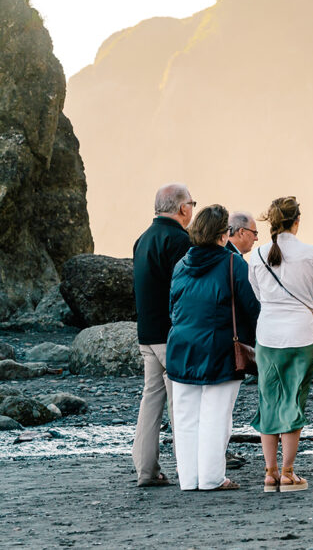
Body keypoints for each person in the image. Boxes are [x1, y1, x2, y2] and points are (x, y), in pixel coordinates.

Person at [167, 205, 260, 491]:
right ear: (223, 235)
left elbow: (174, 306)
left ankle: (189, 479)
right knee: (217, 417)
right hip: (220, 350)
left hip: (181, 349)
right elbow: (252, 308)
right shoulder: (234, 264)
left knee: (184, 420)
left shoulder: (181, 265)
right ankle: (211, 478)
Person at [249, 196, 313, 492]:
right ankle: (288, 472)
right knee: (294, 400)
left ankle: (270, 472)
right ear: (297, 221)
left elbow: (258, 294)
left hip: (268, 335)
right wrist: (305, 307)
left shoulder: (257, 255)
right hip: (301, 335)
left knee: (268, 400)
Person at [131, 183, 194, 487]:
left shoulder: (142, 239)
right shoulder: (179, 240)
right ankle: (188, 468)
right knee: (180, 401)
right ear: (183, 208)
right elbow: (183, 290)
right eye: (191, 204)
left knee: (151, 401)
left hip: (147, 333)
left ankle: (146, 470)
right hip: (171, 334)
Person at [223, 210, 258, 471]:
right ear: (242, 232)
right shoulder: (234, 262)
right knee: (222, 404)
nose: (257, 239)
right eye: (255, 233)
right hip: (229, 341)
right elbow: (250, 305)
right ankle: (219, 453)